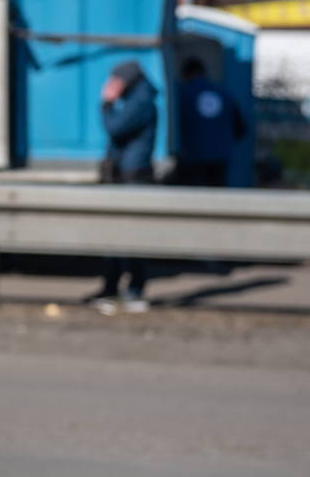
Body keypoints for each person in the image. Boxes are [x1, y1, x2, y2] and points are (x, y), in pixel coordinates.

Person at [92, 59, 159, 313]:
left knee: (131, 236)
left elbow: (115, 129)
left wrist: (106, 103)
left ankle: (134, 290)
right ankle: (111, 287)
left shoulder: (140, 102)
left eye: (115, 81)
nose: (111, 85)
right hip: (125, 175)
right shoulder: (137, 99)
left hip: (134, 177)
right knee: (115, 236)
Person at [174, 57, 246, 187]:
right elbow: (241, 128)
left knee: (190, 200)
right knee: (216, 200)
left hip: (191, 157)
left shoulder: (182, 93)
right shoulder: (225, 94)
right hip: (220, 157)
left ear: (186, 74)